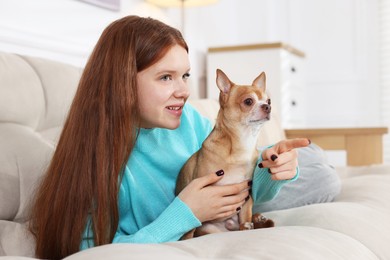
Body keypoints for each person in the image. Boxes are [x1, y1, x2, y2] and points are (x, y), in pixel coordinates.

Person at [29, 15, 339, 260]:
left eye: (185, 75)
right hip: (200, 222)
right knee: (322, 172)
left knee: (314, 163)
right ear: (121, 82)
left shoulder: (188, 118)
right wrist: (185, 213)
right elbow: (88, 253)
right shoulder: (97, 161)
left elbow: (239, 179)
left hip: (232, 210)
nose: (184, 91)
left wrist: (271, 170)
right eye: (166, 77)